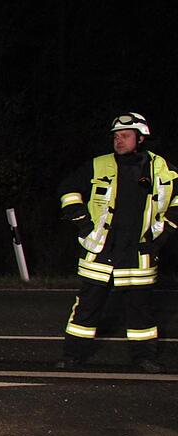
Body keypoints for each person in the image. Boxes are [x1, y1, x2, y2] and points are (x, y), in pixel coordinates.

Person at [57, 112, 178, 373]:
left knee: (141, 311)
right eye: (115, 136)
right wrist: (82, 222)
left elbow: (177, 202)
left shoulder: (164, 170)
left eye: (124, 136)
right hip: (101, 249)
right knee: (87, 308)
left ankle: (144, 358)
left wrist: (163, 235)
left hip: (140, 251)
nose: (118, 141)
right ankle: (72, 356)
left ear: (141, 138)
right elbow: (68, 189)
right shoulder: (98, 164)